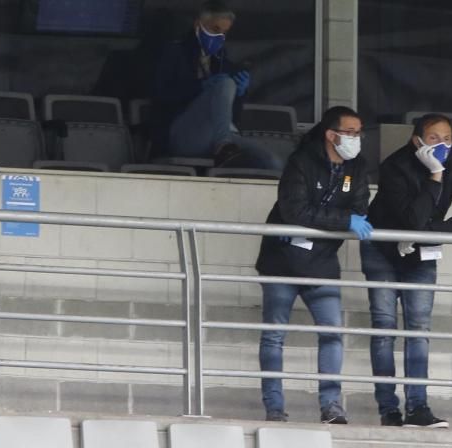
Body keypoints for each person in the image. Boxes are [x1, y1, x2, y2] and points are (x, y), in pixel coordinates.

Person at [255, 106, 373, 423]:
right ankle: (274, 408)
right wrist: (342, 219)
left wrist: (343, 220)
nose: (356, 138)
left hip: (321, 262)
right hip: (281, 260)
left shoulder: (357, 168)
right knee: (274, 336)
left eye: (359, 132)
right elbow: (295, 211)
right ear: (331, 135)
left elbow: (360, 208)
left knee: (332, 333)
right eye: (350, 132)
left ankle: (331, 407)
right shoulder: (301, 162)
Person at [364, 113, 452, 428]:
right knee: (385, 327)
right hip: (383, 251)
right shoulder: (395, 166)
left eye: (447, 139)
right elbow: (409, 220)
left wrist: (429, 230)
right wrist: (435, 178)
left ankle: (418, 408)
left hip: (422, 253)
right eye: (433, 138)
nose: (442, 145)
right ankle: (389, 410)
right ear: (416, 140)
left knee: (418, 330)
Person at [151, 1, 281, 170]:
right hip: (181, 135)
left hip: (218, 135)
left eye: (224, 33)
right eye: (215, 29)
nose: (220, 37)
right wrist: (201, 86)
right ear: (198, 25)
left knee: (272, 161)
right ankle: (224, 146)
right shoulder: (174, 52)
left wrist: (240, 94)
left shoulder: (222, 62)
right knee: (225, 83)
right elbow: (161, 95)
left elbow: (230, 117)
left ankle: (224, 146)